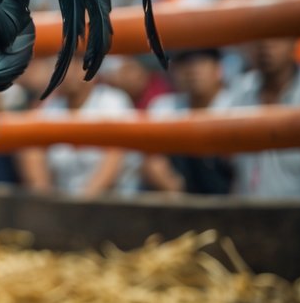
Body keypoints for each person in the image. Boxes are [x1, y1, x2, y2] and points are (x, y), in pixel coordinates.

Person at [215, 37, 300, 200]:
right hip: (248, 216)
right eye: (258, 38)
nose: (265, 45)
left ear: (294, 43)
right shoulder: (238, 94)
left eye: (276, 37)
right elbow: (229, 168)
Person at [17, 56, 140, 200]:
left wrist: (80, 204)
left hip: (113, 202)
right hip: (62, 204)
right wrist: (45, 199)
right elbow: (31, 148)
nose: (68, 71)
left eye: (76, 63)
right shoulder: (51, 106)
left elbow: (114, 157)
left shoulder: (113, 101)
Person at [141, 49, 233, 195]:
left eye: (202, 61)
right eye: (185, 62)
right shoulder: (164, 106)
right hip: (179, 201)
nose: (193, 70)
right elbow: (152, 162)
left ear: (219, 69)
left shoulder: (238, 104)